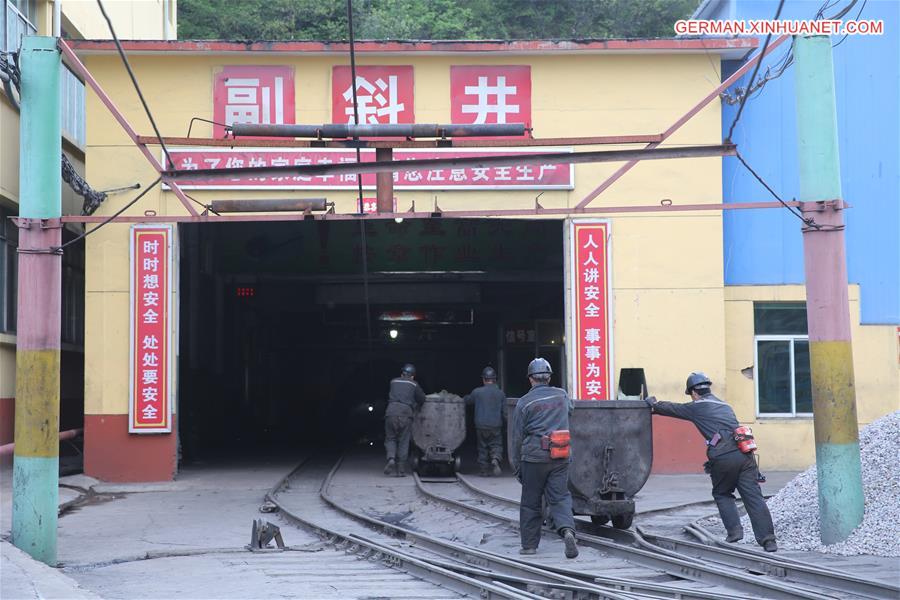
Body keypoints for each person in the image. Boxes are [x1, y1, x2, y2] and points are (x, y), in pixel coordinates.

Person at [646, 372, 777, 552]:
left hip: (723, 457)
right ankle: (769, 541)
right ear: (708, 388)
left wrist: (653, 403)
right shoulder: (724, 405)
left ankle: (735, 532)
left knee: (722, 493)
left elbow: (673, 409)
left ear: (693, 392)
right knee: (754, 497)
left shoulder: (698, 406)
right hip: (745, 455)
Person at [509, 358, 579, 559]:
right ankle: (567, 531)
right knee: (560, 497)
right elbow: (570, 411)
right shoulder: (562, 395)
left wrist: (516, 466)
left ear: (531, 379)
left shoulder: (524, 402)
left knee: (531, 501)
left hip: (534, 458)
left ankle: (529, 546)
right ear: (549, 377)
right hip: (560, 455)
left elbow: (517, 438)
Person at [384, 363, 426, 477]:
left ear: (402, 373)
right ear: (413, 376)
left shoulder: (393, 381)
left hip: (391, 412)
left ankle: (391, 458)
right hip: (406, 414)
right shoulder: (413, 384)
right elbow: (422, 399)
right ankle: (401, 469)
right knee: (404, 440)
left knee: (390, 438)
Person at [464, 366, 507, 477]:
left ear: (484, 379)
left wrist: (461, 397)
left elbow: (468, 401)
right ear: (495, 379)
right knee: (496, 444)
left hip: (481, 425)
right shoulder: (501, 394)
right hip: (495, 425)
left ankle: (483, 470)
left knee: (482, 447)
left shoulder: (477, 392)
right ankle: (495, 458)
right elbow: (505, 412)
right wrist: (506, 425)